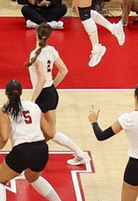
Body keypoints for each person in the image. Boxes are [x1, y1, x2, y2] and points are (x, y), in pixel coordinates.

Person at [0, 79, 75, 201]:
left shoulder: (5, 109)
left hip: (22, 150)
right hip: (41, 149)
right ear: (21, 92)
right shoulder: (34, 107)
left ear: (6, 93)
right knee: (32, 177)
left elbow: (3, 137)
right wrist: (38, 145)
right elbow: (50, 133)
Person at [26, 23, 90, 165]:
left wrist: (33, 100)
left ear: (37, 34)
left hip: (43, 95)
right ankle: (80, 154)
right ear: (49, 36)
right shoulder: (52, 50)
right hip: (50, 93)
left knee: (48, 133)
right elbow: (64, 71)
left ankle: (30, 159)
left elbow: (42, 79)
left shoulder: (35, 54)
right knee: (48, 132)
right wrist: (52, 86)